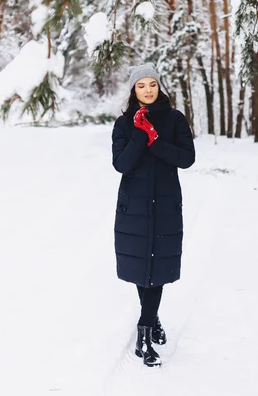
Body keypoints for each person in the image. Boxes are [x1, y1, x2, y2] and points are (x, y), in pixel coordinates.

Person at [111, 63, 196, 367]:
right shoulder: (123, 124)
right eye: (140, 85)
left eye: (152, 84)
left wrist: (155, 139)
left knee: (157, 266)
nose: (147, 90)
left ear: (160, 86)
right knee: (140, 265)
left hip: (165, 204)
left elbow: (187, 158)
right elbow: (121, 165)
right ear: (133, 90)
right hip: (133, 206)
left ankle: (143, 333)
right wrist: (138, 133)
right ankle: (152, 320)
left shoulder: (174, 119)